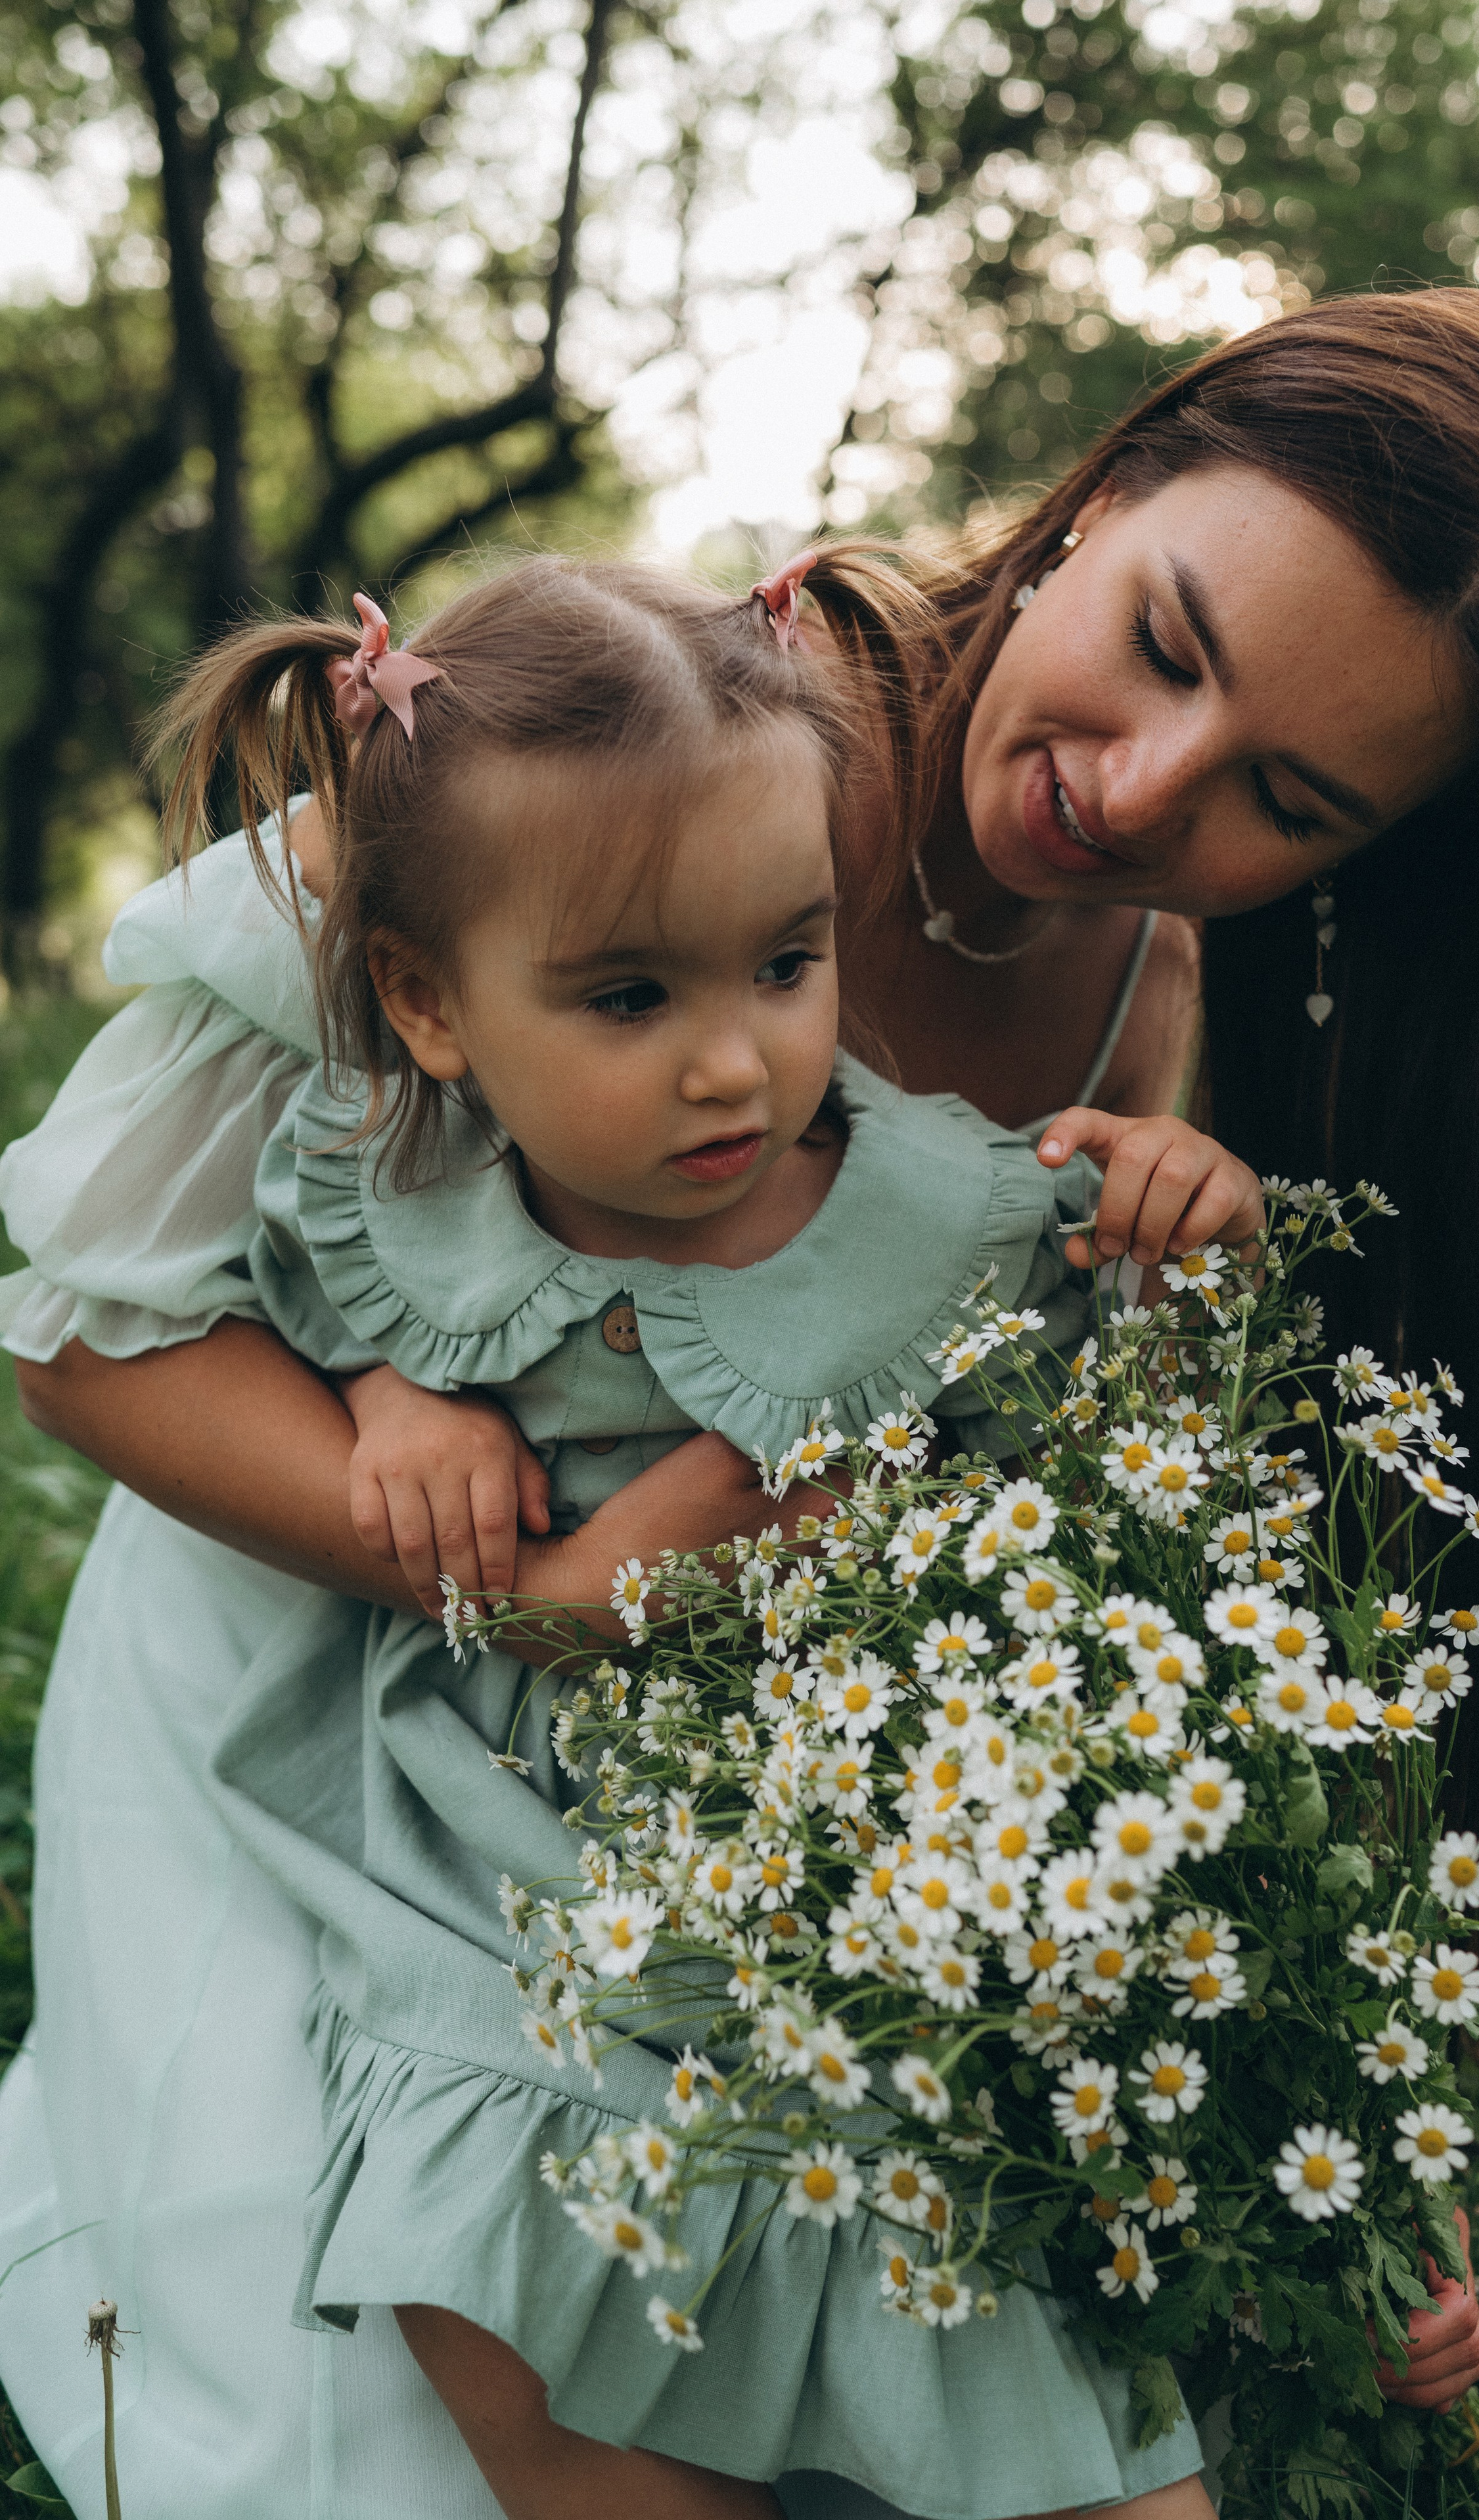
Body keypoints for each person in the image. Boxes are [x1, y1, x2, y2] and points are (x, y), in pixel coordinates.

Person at [28, 275, 1479, 2504]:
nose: (1138, 783)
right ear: (1101, 494)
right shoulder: (608, 749)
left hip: (725, 1792)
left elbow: (1106, 1576)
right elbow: (86, 1334)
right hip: (327, 1652)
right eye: (1166, 645)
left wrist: (1336, 2084)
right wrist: (540, 1569)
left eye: (1283, 796)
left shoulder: (1149, 1027)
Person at [166, 551, 1277, 2520]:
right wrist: (396, 1400)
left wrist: (1189, 1249)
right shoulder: (394, 1181)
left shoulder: (954, 1216)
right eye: (629, 996)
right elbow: (279, 1299)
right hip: (499, 1892)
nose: (733, 1058)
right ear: (428, 1003)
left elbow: (1113, 1481)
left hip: (845, 1882)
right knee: (508, 2288)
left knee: (997, 2322)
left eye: (786, 963)